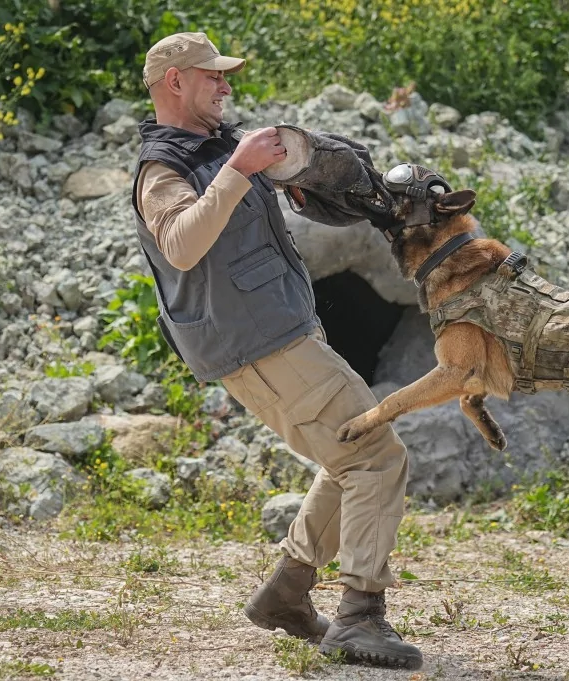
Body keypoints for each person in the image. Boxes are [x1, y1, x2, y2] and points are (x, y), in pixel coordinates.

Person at [130, 32, 423, 670]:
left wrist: (293, 182)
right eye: (214, 77)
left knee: (349, 456)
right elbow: (181, 244)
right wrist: (238, 170)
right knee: (376, 457)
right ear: (174, 82)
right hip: (260, 344)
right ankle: (359, 619)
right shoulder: (163, 169)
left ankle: (286, 595)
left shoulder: (210, 151)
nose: (226, 86)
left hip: (277, 334)